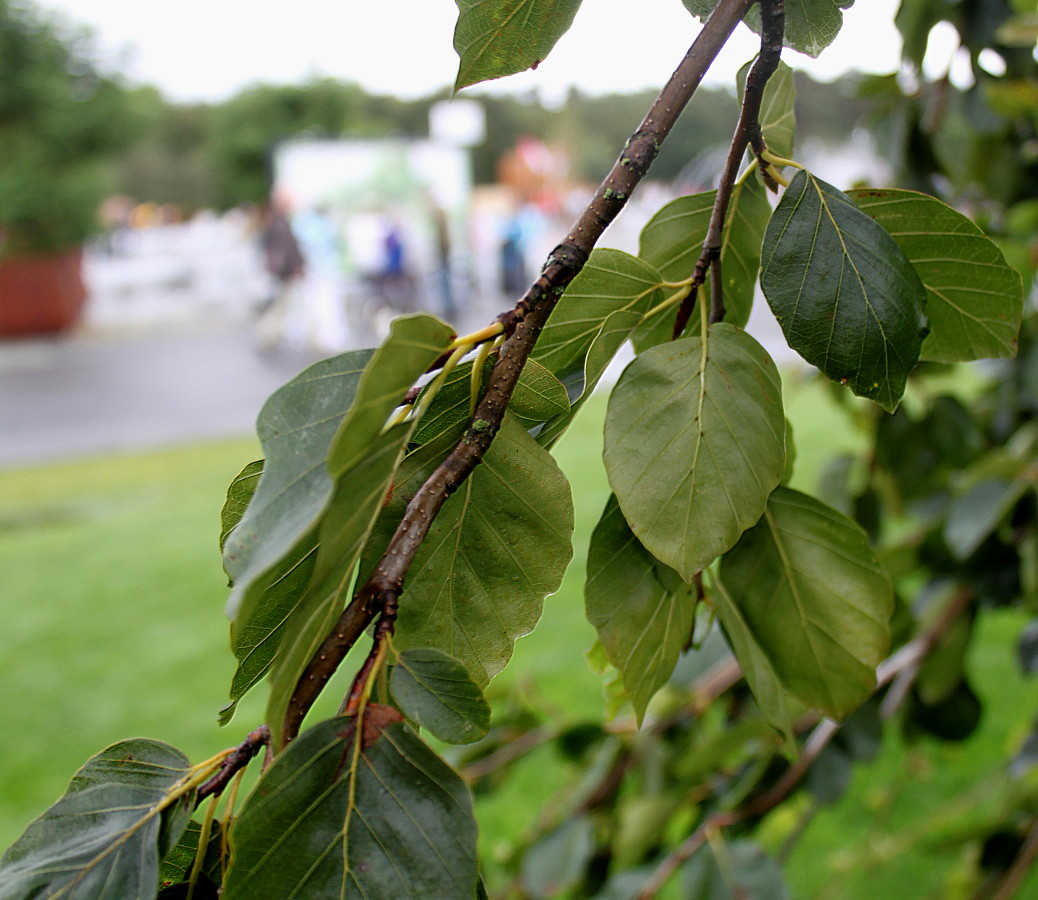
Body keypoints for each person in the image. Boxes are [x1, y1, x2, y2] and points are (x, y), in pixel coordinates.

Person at [255, 196, 304, 353]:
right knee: (279, 306)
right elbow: (288, 249)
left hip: (281, 272)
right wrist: (297, 266)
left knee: (281, 306)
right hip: (284, 272)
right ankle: (267, 335)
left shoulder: (277, 221)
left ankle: (270, 335)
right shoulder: (279, 222)